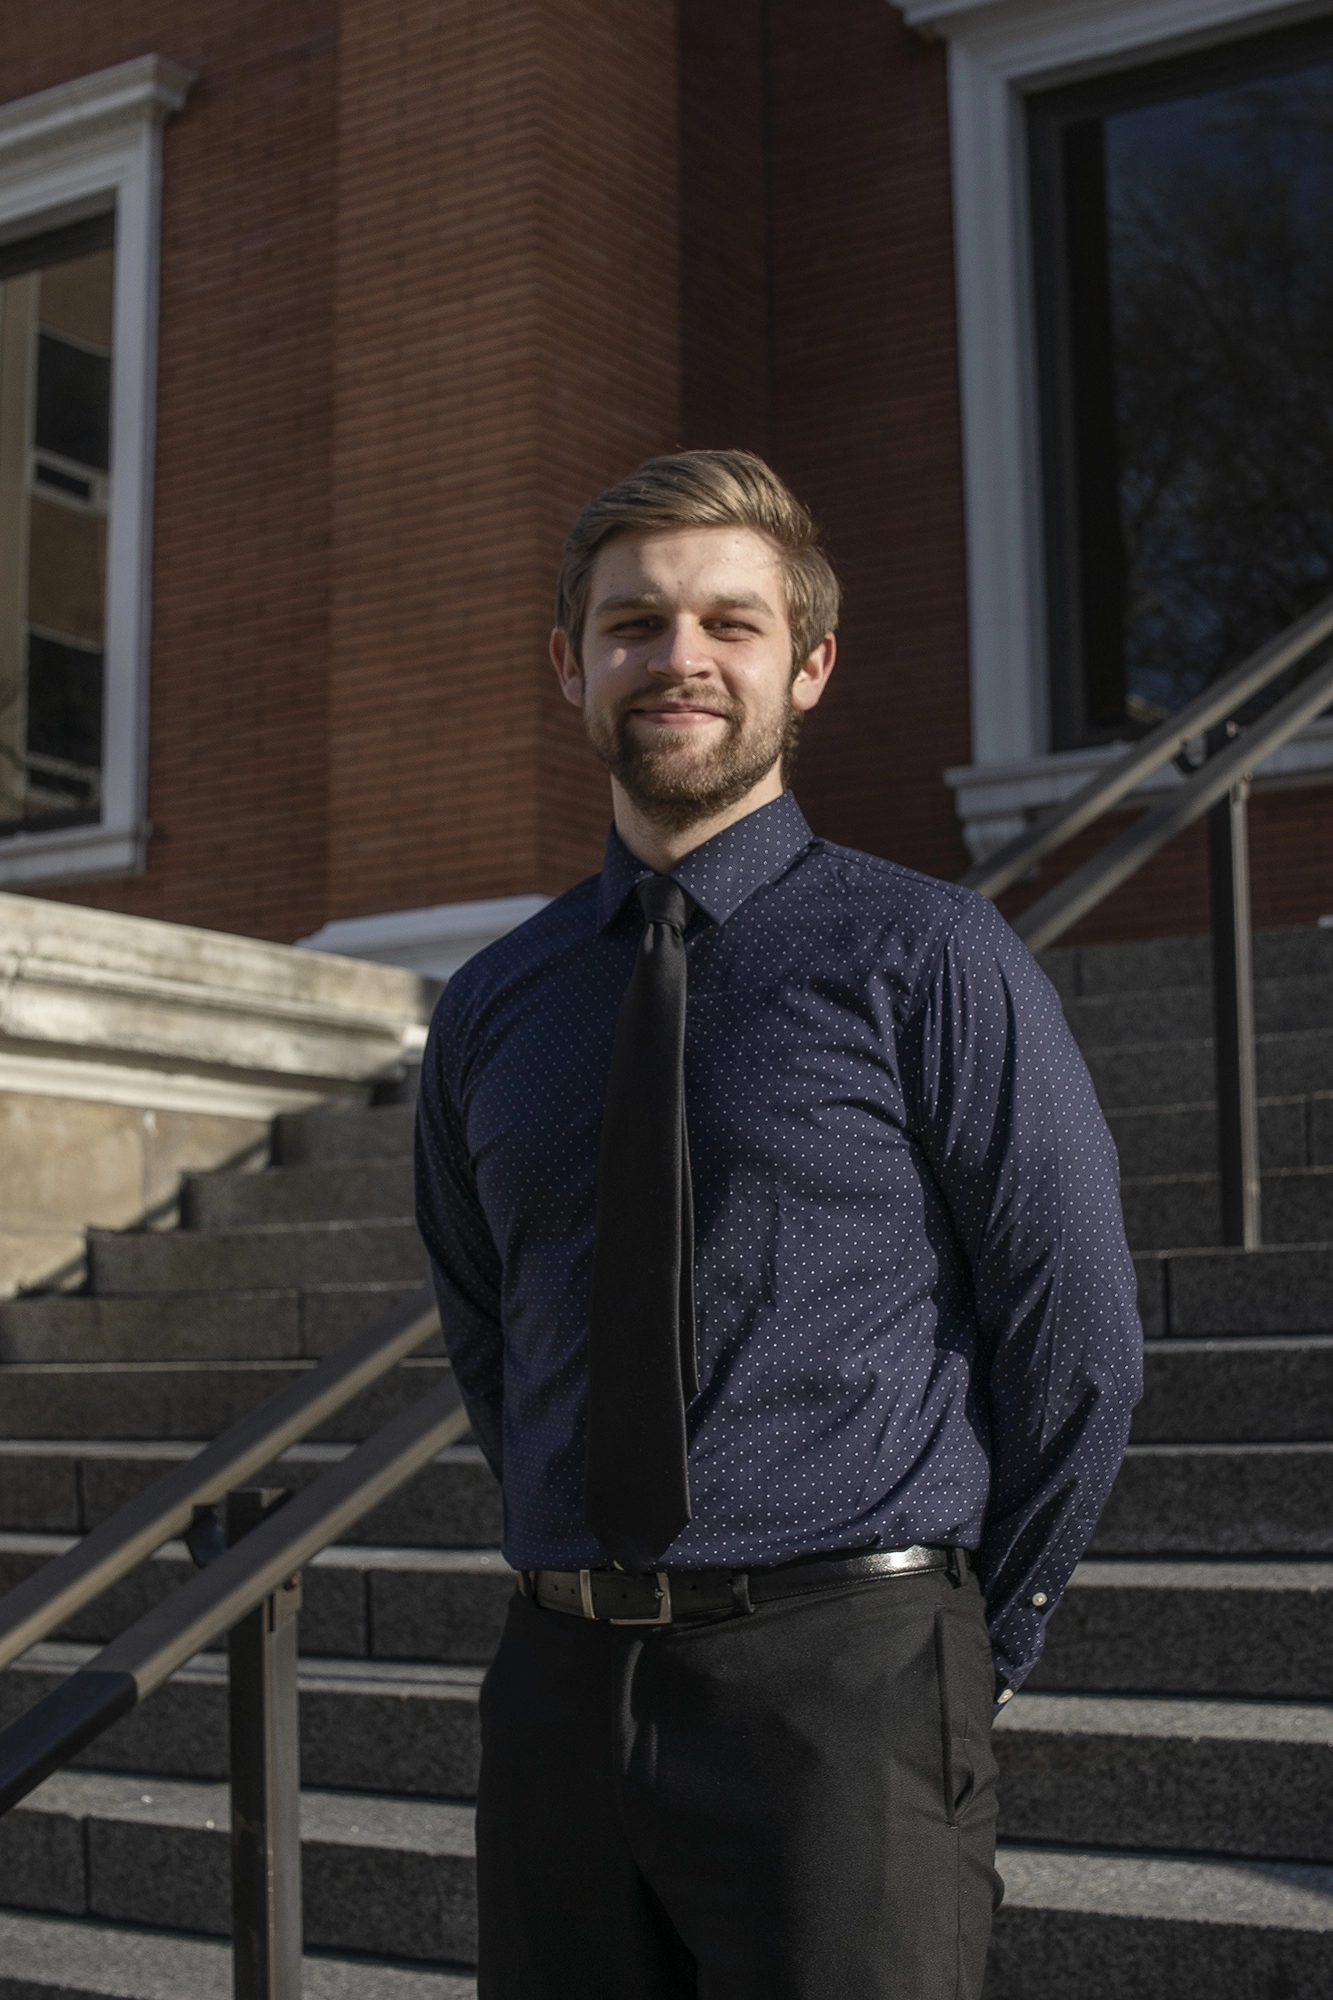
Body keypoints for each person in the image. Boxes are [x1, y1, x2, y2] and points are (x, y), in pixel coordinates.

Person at [415, 449, 1142, 1999]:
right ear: (570, 665)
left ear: (807, 666)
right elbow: (492, 1329)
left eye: (730, 625)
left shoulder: (929, 954)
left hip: (847, 1687)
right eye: (634, 624)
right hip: (556, 1684)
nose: (679, 658)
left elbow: (1075, 1334)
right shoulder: (493, 1006)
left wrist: (963, 1651)